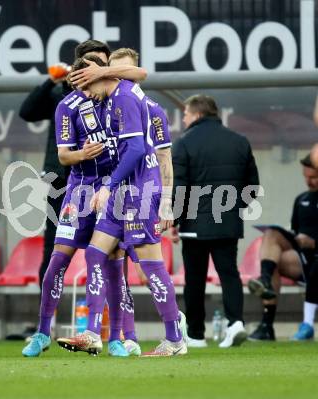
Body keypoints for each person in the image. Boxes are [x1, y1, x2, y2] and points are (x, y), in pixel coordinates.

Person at [22, 42, 148, 358]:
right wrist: (83, 154)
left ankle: (116, 337)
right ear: (79, 77)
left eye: (100, 71)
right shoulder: (67, 105)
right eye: (88, 75)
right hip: (78, 190)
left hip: (113, 191)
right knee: (56, 262)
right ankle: (41, 333)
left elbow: (140, 73)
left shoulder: (118, 97)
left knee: (113, 266)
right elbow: (64, 156)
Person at [57, 56, 187, 357]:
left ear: (96, 77)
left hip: (139, 190)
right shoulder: (117, 95)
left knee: (151, 266)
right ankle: (92, 332)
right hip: (124, 191)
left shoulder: (125, 98)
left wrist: (107, 185)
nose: (87, 97)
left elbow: (137, 149)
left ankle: (174, 338)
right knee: (94, 252)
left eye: (87, 87)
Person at [172, 94, 259, 348]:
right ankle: (235, 324)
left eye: (186, 114)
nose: (184, 119)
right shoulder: (240, 142)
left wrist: (175, 221)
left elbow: (180, 189)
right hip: (228, 224)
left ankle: (196, 335)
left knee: (195, 280)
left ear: (197, 114)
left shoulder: (184, 143)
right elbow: (252, 188)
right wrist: (232, 208)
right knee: (229, 274)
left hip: (194, 226)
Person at [248, 153, 318, 341]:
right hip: (302, 259)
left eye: (313, 177)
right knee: (271, 235)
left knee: (276, 250)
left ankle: (303, 323)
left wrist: (314, 242)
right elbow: (295, 230)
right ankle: (267, 326)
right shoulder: (302, 199)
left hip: (315, 257)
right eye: (306, 177)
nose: (309, 181)